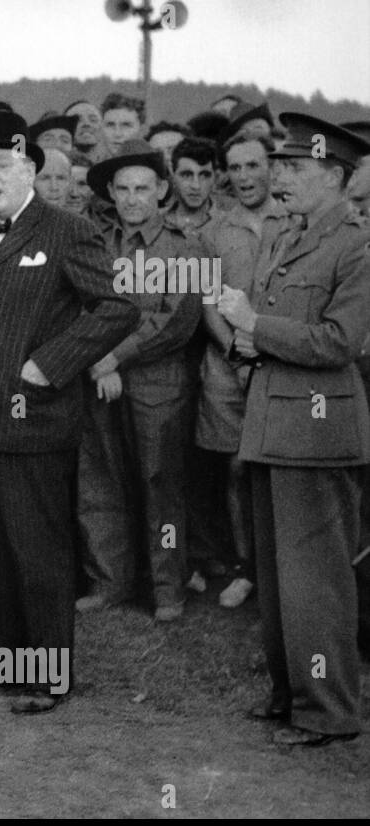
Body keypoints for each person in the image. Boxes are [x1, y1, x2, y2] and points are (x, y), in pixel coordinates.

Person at [0, 106, 138, 713]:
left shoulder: (65, 230)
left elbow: (118, 308)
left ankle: (47, 674)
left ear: (29, 169)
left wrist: (52, 363)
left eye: (4, 164)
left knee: (38, 549)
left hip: (33, 420)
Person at [216, 113, 370, 746]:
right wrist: (251, 338)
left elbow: (341, 341)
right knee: (279, 578)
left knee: (316, 583)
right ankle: (290, 694)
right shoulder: (294, 234)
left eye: (295, 170)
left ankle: (329, 711)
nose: (282, 179)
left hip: (316, 427)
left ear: (333, 176)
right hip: (274, 419)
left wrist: (254, 324)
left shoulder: (355, 245)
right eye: (281, 167)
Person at [75, 138, 204, 622]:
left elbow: (177, 320)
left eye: (143, 188)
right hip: (99, 378)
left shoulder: (184, 245)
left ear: (162, 189)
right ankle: (110, 581)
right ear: (110, 190)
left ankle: (167, 587)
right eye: (123, 188)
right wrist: (96, 360)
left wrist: (114, 358)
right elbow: (82, 305)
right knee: (99, 481)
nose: (132, 198)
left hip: (158, 383)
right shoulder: (95, 242)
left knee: (159, 484)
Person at [194, 133, 288, 610]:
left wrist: (265, 352)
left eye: (254, 165)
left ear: (269, 167)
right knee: (233, 468)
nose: (245, 176)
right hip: (227, 367)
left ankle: (278, 571)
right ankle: (244, 568)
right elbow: (207, 302)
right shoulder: (213, 231)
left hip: (279, 364)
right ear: (225, 173)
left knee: (276, 469)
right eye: (236, 167)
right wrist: (235, 352)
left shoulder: (291, 220)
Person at [164, 136, 222, 238]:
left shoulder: (231, 225)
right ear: (173, 176)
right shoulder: (154, 223)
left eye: (204, 175)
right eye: (186, 175)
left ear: (215, 178)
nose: (196, 185)